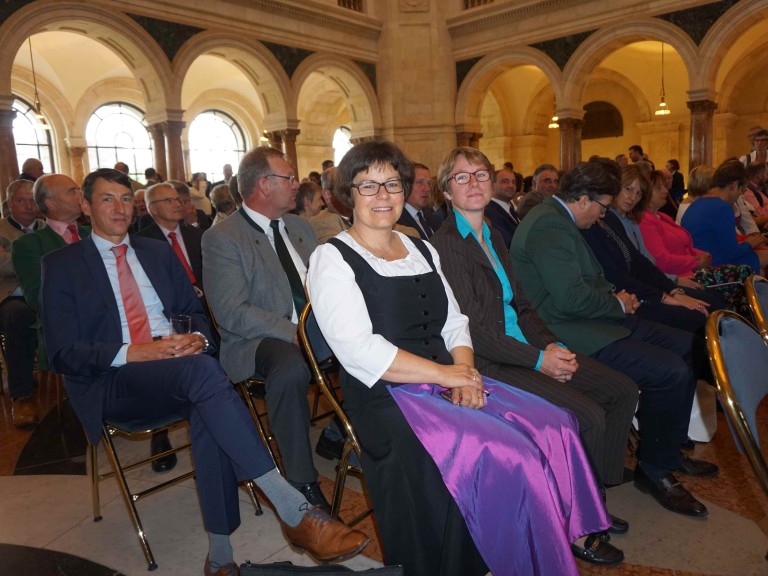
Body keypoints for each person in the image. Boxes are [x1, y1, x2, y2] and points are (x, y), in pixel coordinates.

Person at [39, 168, 368, 576]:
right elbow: (63, 353)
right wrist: (135, 352)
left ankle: (220, 556)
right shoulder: (62, 265)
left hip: (179, 369)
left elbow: (196, 315)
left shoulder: (155, 253)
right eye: (107, 199)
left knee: (205, 397)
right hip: (113, 380)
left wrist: (196, 339)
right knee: (204, 379)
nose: (120, 208)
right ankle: (291, 505)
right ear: (86, 207)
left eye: (126, 198)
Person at [308, 141, 613, 576]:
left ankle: (545, 540)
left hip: (448, 375)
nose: (383, 196)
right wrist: (450, 376)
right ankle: (490, 560)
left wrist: (466, 373)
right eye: (369, 185)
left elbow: (455, 322)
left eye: (392, 183)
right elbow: (360, 351)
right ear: (348, 193)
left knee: (555, 424)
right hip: (386, 394)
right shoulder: (331, 258)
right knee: (513, 452)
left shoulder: (421, 248)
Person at [430, 147, 638, 555]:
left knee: (621, 390)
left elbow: (522, 305)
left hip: (526, 348)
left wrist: (551, 345)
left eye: (480, 174)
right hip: (492, 361)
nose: (474, 183)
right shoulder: (449, 244)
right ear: (447, 192)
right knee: (588, 417)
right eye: (461, 177)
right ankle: (577, 525)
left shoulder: (492, 232)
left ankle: (595, 497)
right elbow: (477, 331)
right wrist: (540, 360)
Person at [510, 161, 719, 519]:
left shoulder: (559, 220)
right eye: (602, 207)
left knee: (687, 344)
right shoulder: (549, 225)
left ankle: (664, 451)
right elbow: (570, 300)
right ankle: (654, 470)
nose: (603, 215)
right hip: (570, 332)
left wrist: (616, 299)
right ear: (581, 199)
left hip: (592, 319)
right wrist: (618, 303)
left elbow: (588, 283)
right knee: (669, 370)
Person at [202, 147, 330, 512]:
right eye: (289, 178)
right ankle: (301, 479)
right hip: (258, 339)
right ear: (263, 185)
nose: (297, 185)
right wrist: (290, 330)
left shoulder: (300, 228)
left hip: (315, 328)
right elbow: (231, 311)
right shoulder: (223, 237)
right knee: (289, 367)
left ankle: (344, 436)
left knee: (369, 343)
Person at [638, 167, 754, 314]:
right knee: (744, 273)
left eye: (665, 187)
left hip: (694, 267)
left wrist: (705, 255)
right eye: (658, 188)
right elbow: (662, 260)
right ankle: (742, 325)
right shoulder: (645, 221)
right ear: (646, 192)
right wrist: (697, 262)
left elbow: (688, 244)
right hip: (683, 274)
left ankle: (740, 321)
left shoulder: (662, 217)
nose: (666, 191)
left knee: (741, 276)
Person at [0, 180, 44, 426]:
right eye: (21, 200)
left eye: (32, 200)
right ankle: (22, 395)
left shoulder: (48, 228)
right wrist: (37, 258)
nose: (28, 206)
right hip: (10, 297)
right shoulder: (1, 228)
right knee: (19, 318)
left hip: (46, 295)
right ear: (9, 204)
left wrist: (11, 257)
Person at [681, 158, 768, 273]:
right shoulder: (722, 207)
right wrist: (749, 243)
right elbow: (731, 252)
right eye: (741, 190)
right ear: (733, 185)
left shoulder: (697, 203)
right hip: (716, 266)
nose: (739, 195)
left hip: (701, 263)